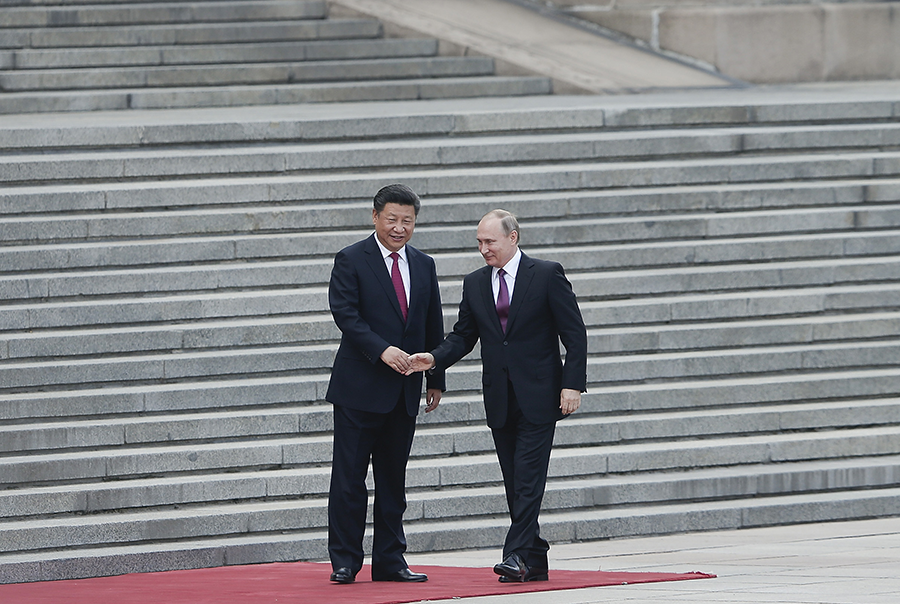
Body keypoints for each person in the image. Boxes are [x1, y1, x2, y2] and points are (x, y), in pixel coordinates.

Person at [407, 209, 587, 583]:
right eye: (479, 242)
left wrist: (573, 384)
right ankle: (535, 559)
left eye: (489, 242)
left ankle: (515, 555)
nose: (483, 249)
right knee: (513, 479)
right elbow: (463, 336)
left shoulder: (547, 274)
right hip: (500, 398)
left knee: (527, 479)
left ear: (513, 238)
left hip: (541, 395)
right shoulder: (475, 283)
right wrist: (434, 359)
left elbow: (575, 332)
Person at [325, 184, 445, 584]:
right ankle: (345, 561)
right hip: (359, 389)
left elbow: (432, 322)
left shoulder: (424, 264)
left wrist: (435, 377)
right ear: (374, 216)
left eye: (407, 221)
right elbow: (346, 314)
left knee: (394, 481)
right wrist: (382, 350)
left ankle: (391, 561)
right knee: (349, 479)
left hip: (405, 389)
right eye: (391, 219)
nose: (399, 228)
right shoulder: (351, 259)